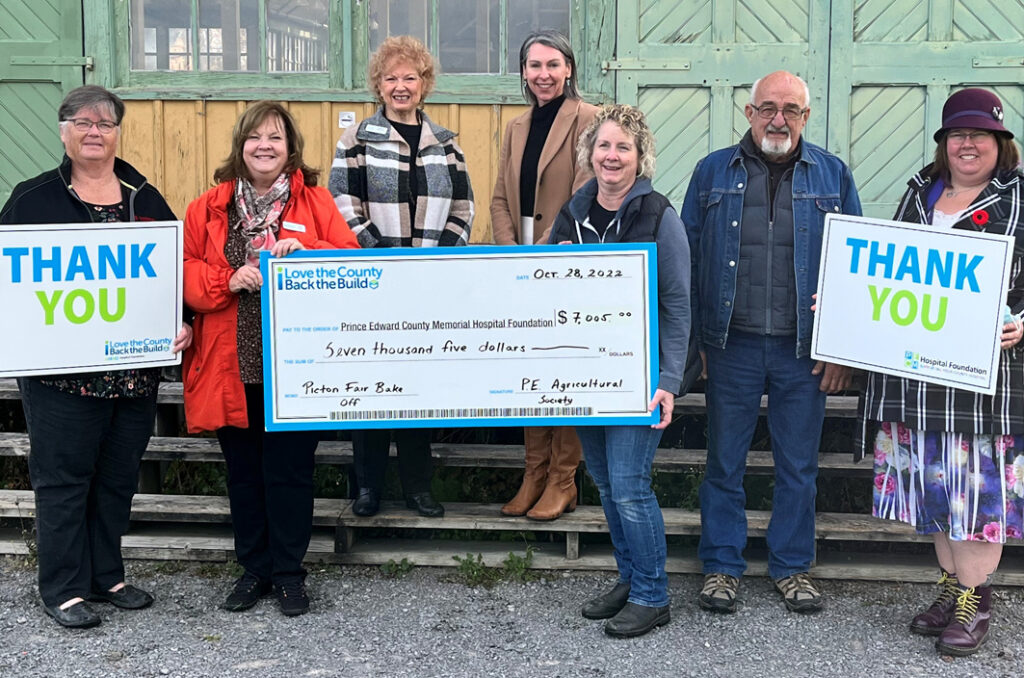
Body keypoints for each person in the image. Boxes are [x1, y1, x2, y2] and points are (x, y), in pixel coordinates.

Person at [0, 85, 192, 628]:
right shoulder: (32, 198)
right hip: (62, 378)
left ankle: (106, 575)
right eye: (82, 122)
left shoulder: (144, 197)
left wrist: (182, 322)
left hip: (132, 375)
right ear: (64, 132)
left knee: (116, 479)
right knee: (63, 481)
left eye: (105, 124)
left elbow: (172, 274)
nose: (94, 132)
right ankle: (63, 587)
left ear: (117, 134)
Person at [681, 70, 862, 615]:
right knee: (724, 463)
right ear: (749, 112)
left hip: (802, 351)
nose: (778, 120)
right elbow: (688, 259)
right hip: (730, 345)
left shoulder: (832, 174)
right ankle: (721, 565)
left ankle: (791, 566)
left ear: (806, 116)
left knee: (798, 467)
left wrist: (838, 348)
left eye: (791, 110)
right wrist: (696, 342)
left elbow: (854, 268)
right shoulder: (712, 171)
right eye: (768, 108)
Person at [859, 88, 1024, 656]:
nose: (968, 144)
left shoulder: (1018, 199)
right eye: (958, 134)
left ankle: (976, 602)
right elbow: (884, 271)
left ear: (1000, 142)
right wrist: (846, 305)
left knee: (974, 497)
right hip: (917, 379)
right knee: (934, 490)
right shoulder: (920, 193)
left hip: (983, 385)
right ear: (944, 143)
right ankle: (954, 589)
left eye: (980, 135)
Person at [183, 101, 358, 617]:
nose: (265, 146)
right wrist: (227, 279)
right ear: (241, 146)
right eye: (255, 137)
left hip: (295, 369)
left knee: (290, 474)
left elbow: (351, 262)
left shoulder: (316, 202)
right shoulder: (207, 208)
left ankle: (288, 574)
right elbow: (184, 273)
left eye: (276, 138)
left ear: (290, 149)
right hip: (229, 365)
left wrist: (309, 253)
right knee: (243, 475)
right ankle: (253, 570)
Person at [548, 104, 690, 638]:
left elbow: (678, 305)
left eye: (623, 148)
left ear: (640, 157)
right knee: (607, 485)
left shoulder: (659, 215)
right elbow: (540, 286)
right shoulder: (572, 213)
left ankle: (653, 595)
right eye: (604, 146)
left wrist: (668, 381)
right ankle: (630, 579)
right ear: (590, 154)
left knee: (630, 486)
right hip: (585, 374)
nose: (612, 156)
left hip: (640, 377)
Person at [329, 35, 473, 519]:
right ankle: (367, 486)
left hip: (428, 284)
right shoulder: (356, 140)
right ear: (378, 84)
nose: (400, 86)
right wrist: (379, 256)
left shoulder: (446, 143)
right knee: (371, 385)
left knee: (417, 386)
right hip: (373, 282)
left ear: (424, 83)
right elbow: (342, 204)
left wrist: (439, 259)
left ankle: (418, 487)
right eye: (390, 77)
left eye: (410, 77)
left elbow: (463, 207)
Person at [490, 30, 598, 521]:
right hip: (521, 270)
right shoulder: (516, 126)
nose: (544, 74)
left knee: (563, 370)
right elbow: (500, 197)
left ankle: (562, 478)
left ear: (568, 68)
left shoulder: (589, 118)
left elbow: (584, 193)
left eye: (553, 65)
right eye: (534, 66)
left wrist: (547, 253)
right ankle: (533, 471)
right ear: (524, 72)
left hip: (566, 265)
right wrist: (513, 255)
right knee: (529, 369)